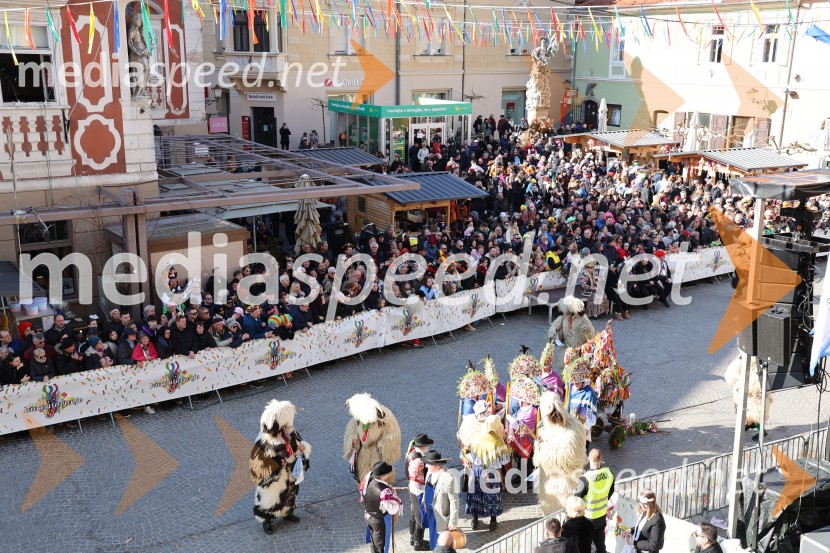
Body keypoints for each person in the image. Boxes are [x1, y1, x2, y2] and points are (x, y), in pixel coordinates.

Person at [250, 400, 311, 534]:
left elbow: (298, 442)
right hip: (275, 479)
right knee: (270, 500)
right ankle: (266, 520)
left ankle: (287, 513)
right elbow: (258, 466)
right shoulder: (264, 441)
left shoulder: (290, 432)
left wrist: (302, 448)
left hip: (290, 473)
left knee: (290, 494)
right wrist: (277, 464)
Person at [463, 415, 511, 532]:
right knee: (492, 497)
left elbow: (466, 452)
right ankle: (493, 521)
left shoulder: (476, 438)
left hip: (477, 471)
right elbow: (505, 461)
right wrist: (508, 448)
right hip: (492, 474)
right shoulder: (497, 441)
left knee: (476, 496)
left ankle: (475, 520)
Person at [343, 393, 402, 484]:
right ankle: (366, 490)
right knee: (364, 475)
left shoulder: (385, 417)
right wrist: (354, 441)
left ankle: (384, 490)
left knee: (382, 475)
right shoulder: (357, 420)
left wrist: (382, 445)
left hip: (377, 452)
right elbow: (351, 432)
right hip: (363, 453)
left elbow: (393, 434)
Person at [574, 449, 614, 553]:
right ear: (602, 458)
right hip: (601, 516)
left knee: (585, 547)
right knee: (600, 545)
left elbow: (576, 500)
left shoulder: (585, 479)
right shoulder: (609, 473)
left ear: (588, 459)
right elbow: (611, 491)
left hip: (588, 518)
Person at [361, 461, 402, 553]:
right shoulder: (384, 490)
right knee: (380, 547)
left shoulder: (369, 480)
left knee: (374, 543)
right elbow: (391, 509)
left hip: (368, 515)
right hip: (379, 520)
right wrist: (393, 495)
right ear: (383, 475)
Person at [422, 450, 460, 550]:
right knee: (432, 535)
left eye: (428, 464)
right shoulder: (430, 471)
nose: (426, 466)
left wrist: (453, 521)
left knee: (441, 540)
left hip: (441, 515)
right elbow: (425, 487)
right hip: (430, 511)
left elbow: (454, 501)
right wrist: (424, 501)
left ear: (435, 465)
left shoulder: (449, 478)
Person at [405, 434, 434, 551]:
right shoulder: (420, 460)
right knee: (421, 517)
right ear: (423, 446)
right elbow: (425, 477)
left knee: (414, 513)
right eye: (426, 445)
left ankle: (413, 538)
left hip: (412, 487)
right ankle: (418, 543)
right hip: (419, 490)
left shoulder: (411, 453)